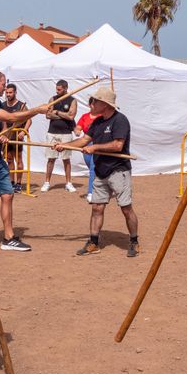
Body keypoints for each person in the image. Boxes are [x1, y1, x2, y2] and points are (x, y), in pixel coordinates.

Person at [0, 70, 48, 252]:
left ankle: (9, 238)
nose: (5, 88)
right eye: (3, 84)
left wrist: (3, 135)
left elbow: (4, 124)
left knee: (7, 194)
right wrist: (36, 110)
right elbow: (11, 117)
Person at [58, 86, 139, 257]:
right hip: (100, 171)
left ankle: (134, 240)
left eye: (95, 101)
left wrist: (95, 147)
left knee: (126, 208)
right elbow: (84, 140)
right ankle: (94, 242)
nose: (91, 104)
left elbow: (118, 145)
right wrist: (64, 146)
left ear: (104, 104)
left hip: (118, 170)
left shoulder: (120, 120)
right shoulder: (97, 122)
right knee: (96, 208)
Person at [42, 79, 78, 193]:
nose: (57, 91)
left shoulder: (72, 100)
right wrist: (63, 115)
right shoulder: (53, 99)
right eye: (56, 89)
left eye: (59, 89)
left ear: (66, 88)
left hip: (66, 133)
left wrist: (57, 112)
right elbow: (47, 115)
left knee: (66, 159)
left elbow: (71, 116)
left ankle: (68, 183)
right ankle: (47, 182)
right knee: (51, 158)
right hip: (52, 132)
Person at [1, 83, 31, 193]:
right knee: (9, 159)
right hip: (7, 137)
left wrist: (24, 131)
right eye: (7, 92)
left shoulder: (21, 106)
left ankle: (18, 183)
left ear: (15, 92)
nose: (8, 94)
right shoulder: (2, 105)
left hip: (17, 136)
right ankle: (11, 182)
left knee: (18, 159)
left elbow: (29, 119)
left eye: (10, 92)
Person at [75, 97, 100, 203]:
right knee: (91, 167)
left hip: (97, 144)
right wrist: (77, 131)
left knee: (92, 169)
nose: (95, 106)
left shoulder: (101, 117)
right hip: (86, 144)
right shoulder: (85, 116)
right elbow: (78, 127)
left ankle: (90, 193)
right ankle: (101, 187)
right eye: (94, 104)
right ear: (90, 105)